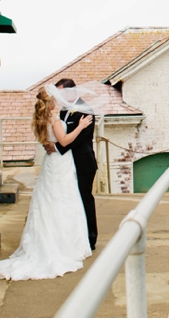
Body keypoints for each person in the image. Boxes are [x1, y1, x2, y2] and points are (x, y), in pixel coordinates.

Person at [0, 86, 93, 280]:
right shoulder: (54, 120)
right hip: (60, 164)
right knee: (63, 200)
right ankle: (63, 246)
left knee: (49, 201)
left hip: (51, 164)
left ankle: (52, 241)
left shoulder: (41, 120)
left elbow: (50, 142)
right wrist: (80, 126)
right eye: (55, 98)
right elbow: (64, 142)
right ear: (50, 102)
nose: (58, 101)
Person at [53, 78, 99, 251]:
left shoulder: (86, 110)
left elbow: (80, 139)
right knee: (72, 200)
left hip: (84, 162)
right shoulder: (64, 110)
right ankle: (76, 236)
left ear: (72, 91)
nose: (60, 97)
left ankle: (90, 238)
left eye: (62, 92)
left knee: (85, 199)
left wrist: (57, 147)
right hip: (69, 163)